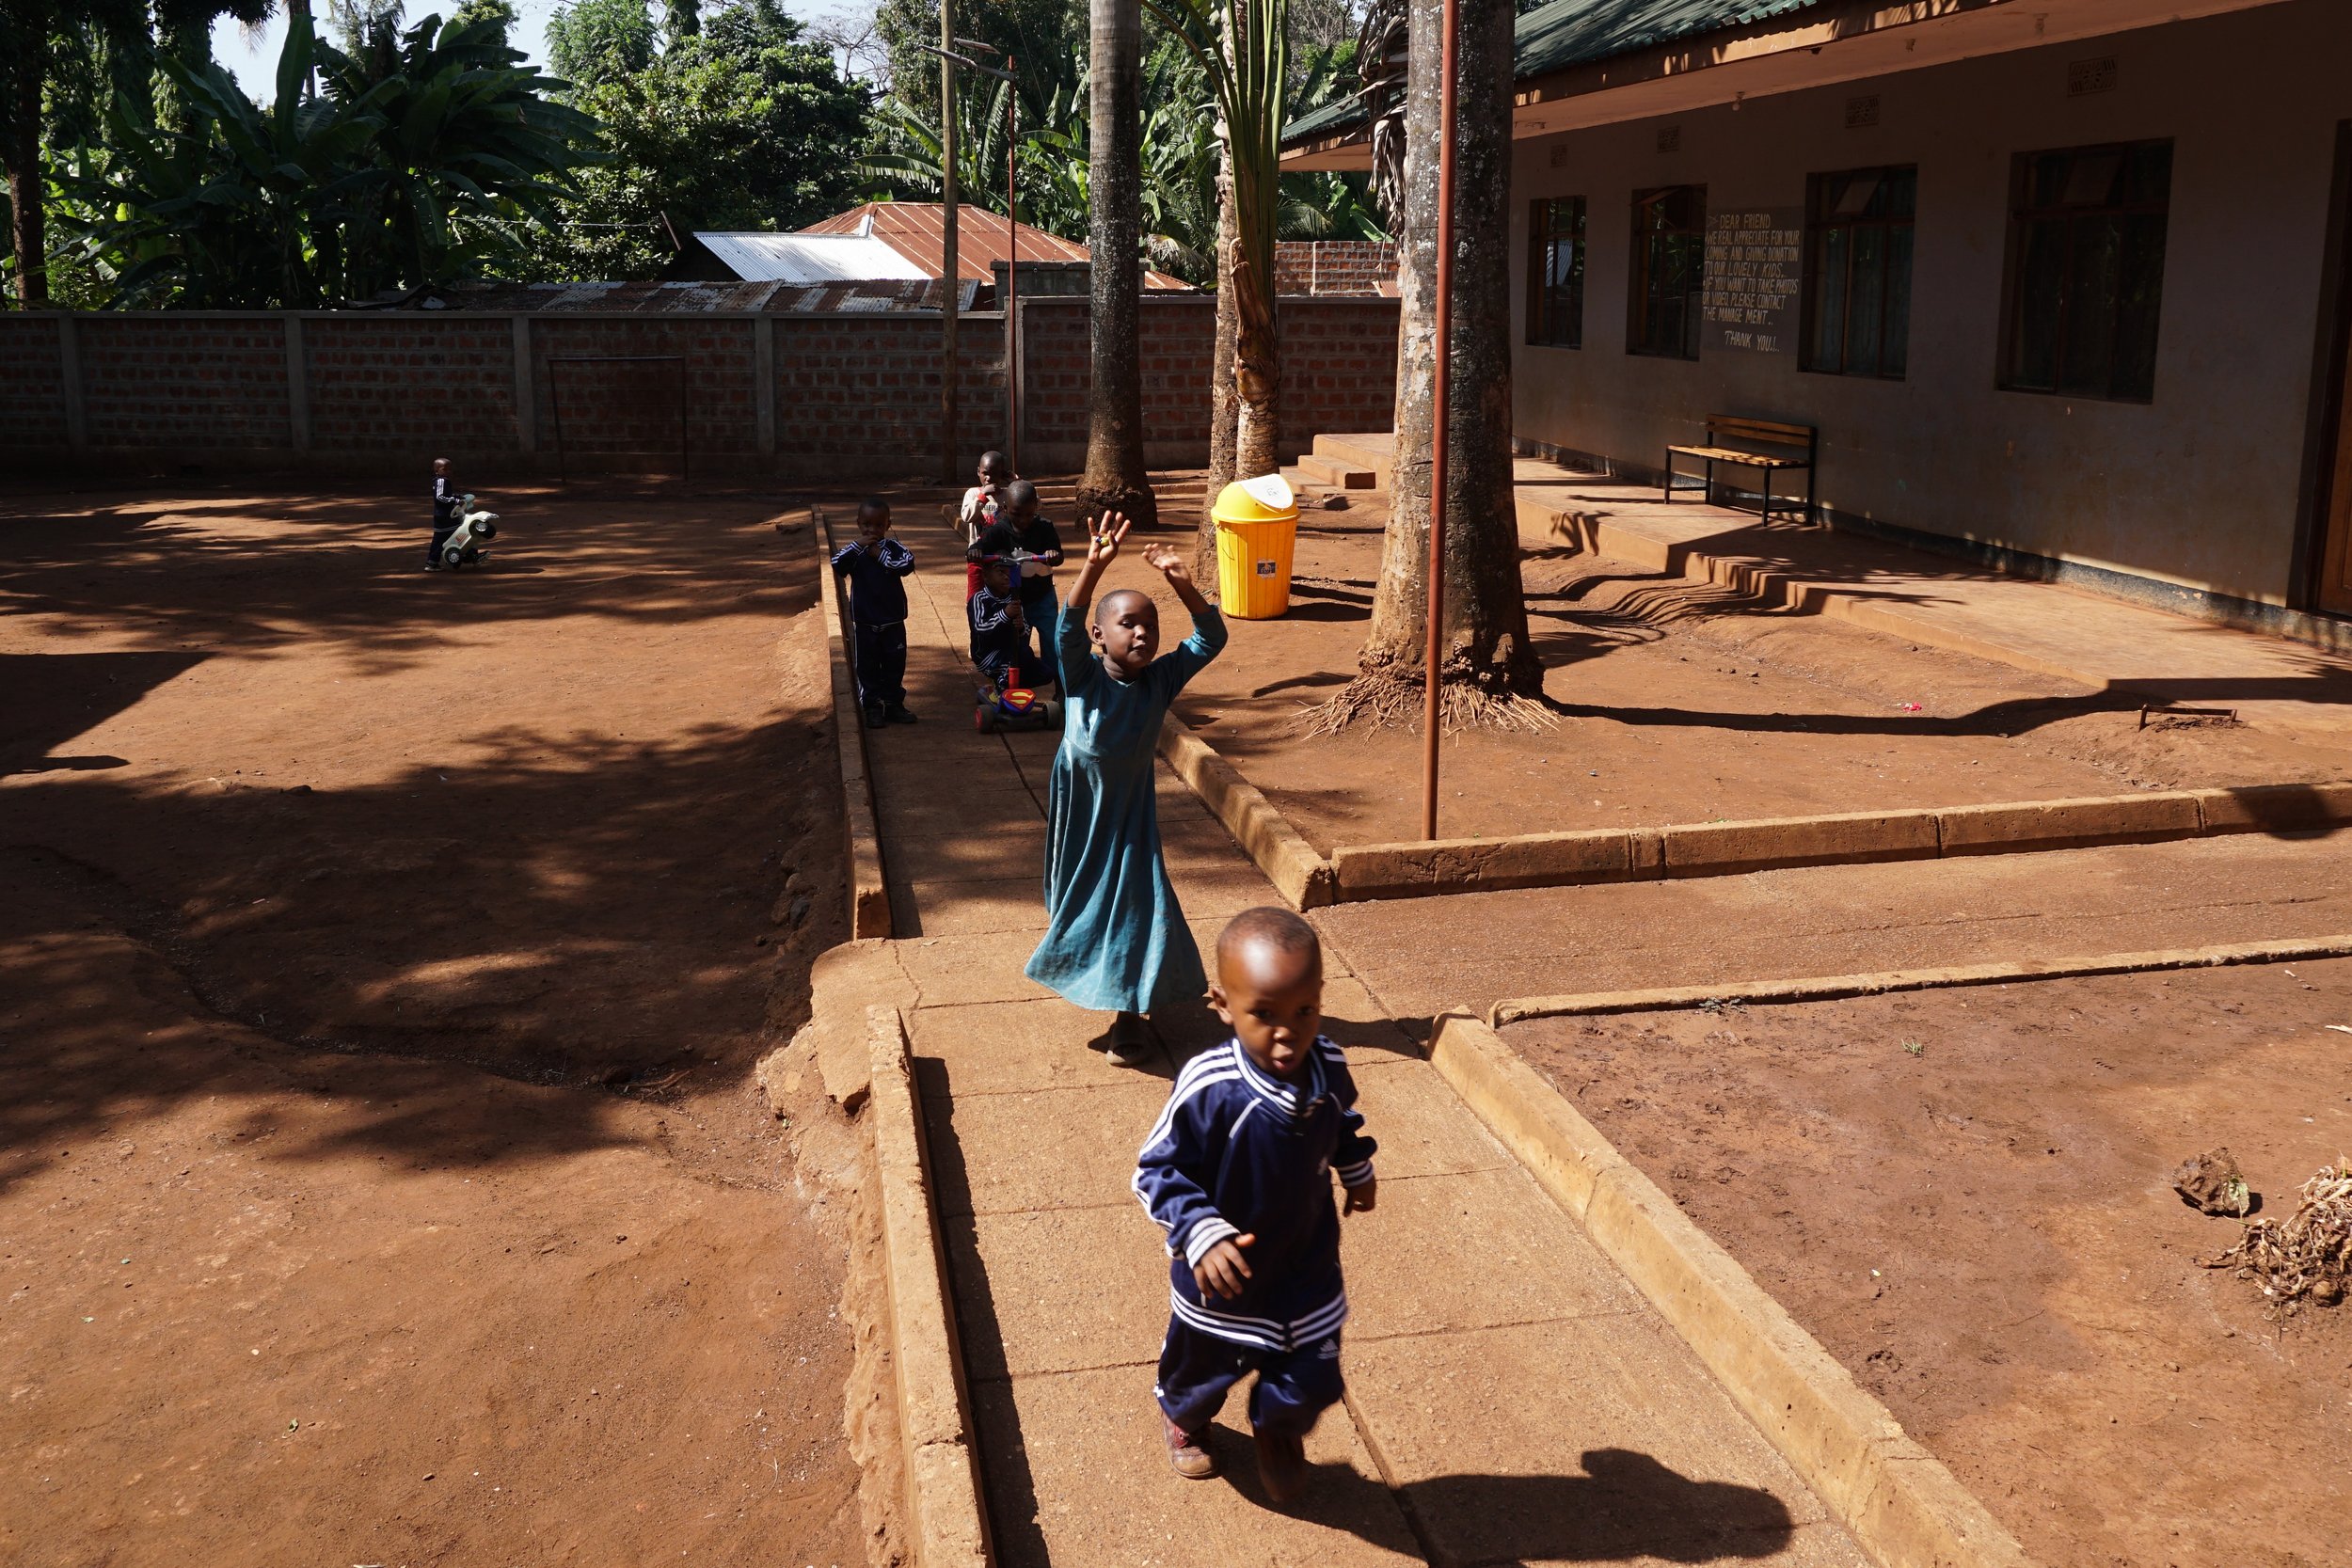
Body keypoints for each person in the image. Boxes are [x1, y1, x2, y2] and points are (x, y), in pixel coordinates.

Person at [1134, 907, 1376, 1501]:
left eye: (1304, 1011)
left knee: (1315, 1374)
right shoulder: (1210, 1087)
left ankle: (1278, 1429)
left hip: (1306, 1265)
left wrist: (1356, 1167)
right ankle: (1184, 1417)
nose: (1288, 1032)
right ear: (1222, 1004)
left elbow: (1340, 1121)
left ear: (1320, 998)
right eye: (1264, 1015)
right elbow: (1156, 1168)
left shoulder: (1328, 1066)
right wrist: (1200, 1230)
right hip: (1224, 1277)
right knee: (1202, 1373)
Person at [1023, 514, 1223, 1062]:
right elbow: (1064, 629)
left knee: (1136, 902)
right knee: (1076, 901)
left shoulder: (1158, 682)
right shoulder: (1082, 675)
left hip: (1130, 817)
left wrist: (1182, 582)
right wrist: (1091, 566)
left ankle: (1128, 1015)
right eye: (1129, 624)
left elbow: (1211, 638)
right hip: (1078, 811)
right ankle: (1096, 978)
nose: (1142, 634)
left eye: (1150, 627)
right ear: (1099, 635)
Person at [965, 479, 1063, 687]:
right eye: (1016, 514)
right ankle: (1014, 686)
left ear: (1036, 507)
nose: (1023, 520)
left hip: (1043, 596)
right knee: (1017, 644)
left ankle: (1060, 687)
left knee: (1052, 640)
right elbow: (980, 546)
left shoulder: (1045, 527)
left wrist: (1052, 554)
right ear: (1005, 508)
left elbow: (1058, 554)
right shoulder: (999, 530)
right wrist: (975, 551)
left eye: (1029, 514)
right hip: (1016, 598)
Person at [830, 498, 917, 728]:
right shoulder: (854, 551)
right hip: (866, 622)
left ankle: (894, 704)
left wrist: (879, 554)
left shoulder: (894, 548)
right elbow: (837, 564)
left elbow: (907, 565)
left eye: (879, 525)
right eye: (867, 524)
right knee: (867, 667)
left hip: (893, 620)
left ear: (888, 525)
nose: (872, 530)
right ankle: (872, 707)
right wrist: (859, 546)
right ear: (858, 523)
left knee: (894, 665)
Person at [968, 554, 1054, 701]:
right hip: (988, 655)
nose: (1007, 577)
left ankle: (1008, 687)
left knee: (1046, 673)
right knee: (1015, 660)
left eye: (1009, 573)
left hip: (1013, 651)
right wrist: (1004, 615)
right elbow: (980, 629)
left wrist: (1020, 627)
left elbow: (1025, 629)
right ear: (986, 576)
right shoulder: (979, 599)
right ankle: (1000, 690)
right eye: (1001, 572)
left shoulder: (1013, 598)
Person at [961, 450, 1011, 601]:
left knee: (1006, 596)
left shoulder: (1009, 495)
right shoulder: (972, 494)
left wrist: (1016, 482)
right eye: (985, 473)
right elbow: (967, 516)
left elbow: (1036, 503)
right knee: (975, 597)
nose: (988, 478)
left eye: (995, 473)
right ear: (978, 472)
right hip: (978, 557)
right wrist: (983, 496)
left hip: (1004, 558)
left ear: (1002, 474)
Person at [424, 456, 459, 570]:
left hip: (447, 515)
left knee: (446, 537)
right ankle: (432, 562)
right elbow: (440, 497)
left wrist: (456, 496)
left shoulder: (443, 481)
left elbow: (446, 496)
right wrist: (454, 500)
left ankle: (433, 562)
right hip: (443, 516)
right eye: (445, 469)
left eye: (450, 469)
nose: (448, 471)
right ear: (436, 471)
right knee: (453, 535)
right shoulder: (441, 481)